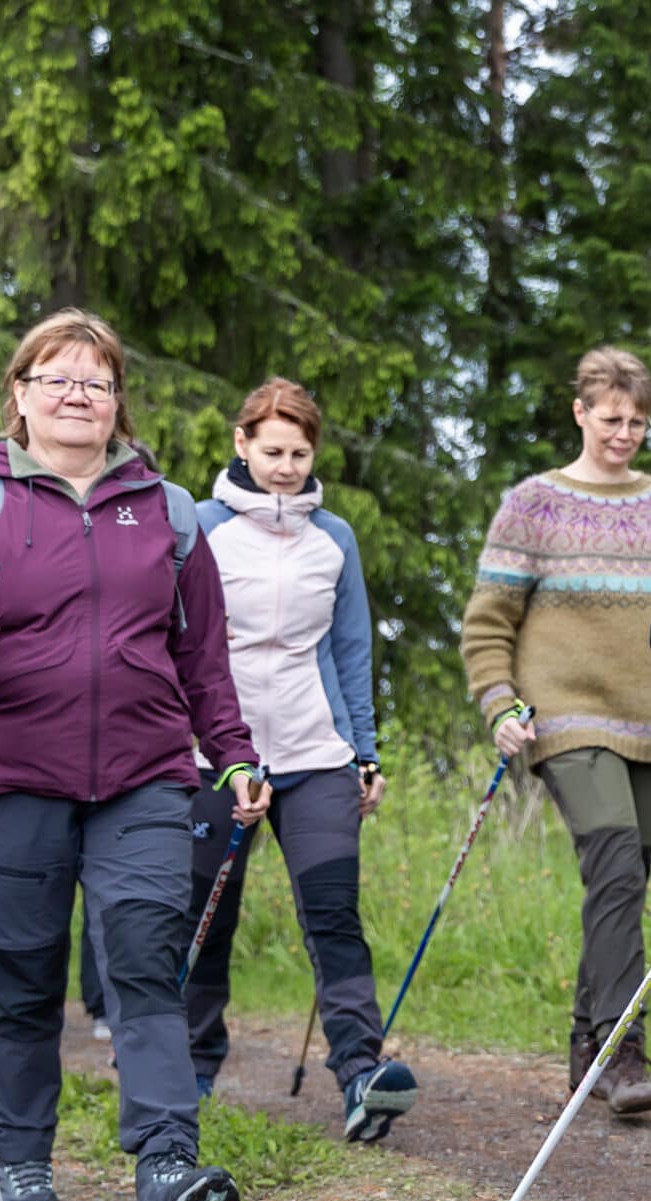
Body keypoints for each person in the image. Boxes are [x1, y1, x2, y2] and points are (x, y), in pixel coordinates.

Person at [0, 308, 270, 1201]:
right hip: (9, 777)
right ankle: (23, 1158)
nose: (76, 395)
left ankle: (165, 1162)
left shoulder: (170, 511)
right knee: (20, 979)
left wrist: (231, 752)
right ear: (19, 397)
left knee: (144, 956)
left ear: (116, 405)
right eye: (55, 379)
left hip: (143, 776)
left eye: (95, 382)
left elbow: (203, 658)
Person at [178, 376, 415, 1141]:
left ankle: (360, 1073)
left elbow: (351, 649)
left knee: (334, 913)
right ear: (241, 444)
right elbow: (180, 644)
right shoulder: (200, 527)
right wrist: (201, 747)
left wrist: (365, 752)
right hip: (219, 753)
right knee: (207, 917)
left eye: (300, 452)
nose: (285, 465)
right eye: (271, 449)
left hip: (317, 754)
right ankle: (191, 1066)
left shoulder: (333, 538)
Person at [464, 348, 651, 1115]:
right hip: (563, 716)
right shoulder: (535, 503)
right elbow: (488, 621)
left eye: (638, 420)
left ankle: (587, 1048)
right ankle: (623, 1050)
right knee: (616, 857)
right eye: (611, 417)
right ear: (581, 413)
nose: (624, 432)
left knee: (623, 881)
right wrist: (499, 702)